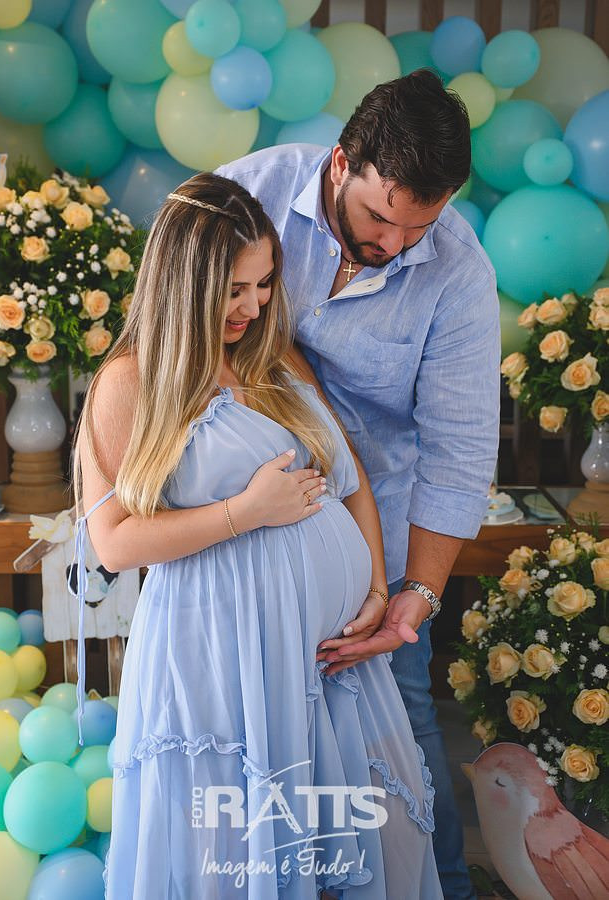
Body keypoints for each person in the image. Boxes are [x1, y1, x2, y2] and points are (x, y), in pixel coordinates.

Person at [73, 172, 442, 898]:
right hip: (220, 650)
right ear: (183, 284)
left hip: (326, 661)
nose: (254, 305)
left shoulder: (271, 357)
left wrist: (374, 588)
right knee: (236, 852)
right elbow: (112, 541)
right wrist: (245, 511)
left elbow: (350, 477)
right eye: (233, 290)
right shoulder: (129, 381)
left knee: (370, 843)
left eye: (265, 283)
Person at [217, 69, 500, 900]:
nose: (397, 244)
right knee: (246, 731)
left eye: (420, 226)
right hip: (237, 524)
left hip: (376, 541)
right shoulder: (244, 195)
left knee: (400, 739)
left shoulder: (458, 272)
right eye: (381, 218)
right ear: (341, 164)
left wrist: (414, 596)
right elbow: (166, 333)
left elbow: (456, 450)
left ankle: (442, 887)